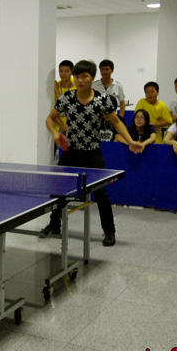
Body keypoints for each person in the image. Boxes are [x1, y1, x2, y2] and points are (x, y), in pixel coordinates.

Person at [43, 60, 143, 246]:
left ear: (92, 78)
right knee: (60, 189)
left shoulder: (102, 100)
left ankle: (109, 231)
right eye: (77, 76)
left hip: (92, 153)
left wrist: (130, 141)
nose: (80, 80)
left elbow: (116, 122)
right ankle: (54, 224)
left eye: (84, 76)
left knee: (101, 192)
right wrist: (55, 134)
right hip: (70, 152)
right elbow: (50, 119)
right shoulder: (67, 98)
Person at [53, 60, 75, 132]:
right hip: (58, 127)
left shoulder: (76, 87)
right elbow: (52, 109)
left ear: (72, 72)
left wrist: (56, 90)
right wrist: (62, 125)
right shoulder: (56, 85)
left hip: (73, 126)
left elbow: (65, 106)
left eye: (66, 71)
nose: (63, 74)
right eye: (61, 71)